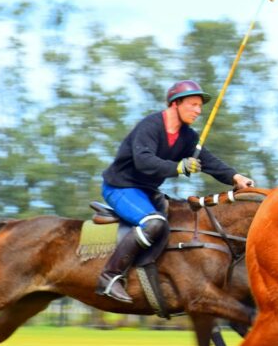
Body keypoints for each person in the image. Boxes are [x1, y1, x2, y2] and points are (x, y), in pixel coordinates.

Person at [97, 79, 254, 303]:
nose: (198, 111)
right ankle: (109, 276)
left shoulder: (188, 136)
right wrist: (177, 167)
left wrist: (235, 177)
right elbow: (143, 161)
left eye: (200, 106)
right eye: (193, 105)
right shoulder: (150, 126)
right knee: (154, 223)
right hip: (120, 187)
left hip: (148, 191)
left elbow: (208, 161)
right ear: (175, 104)